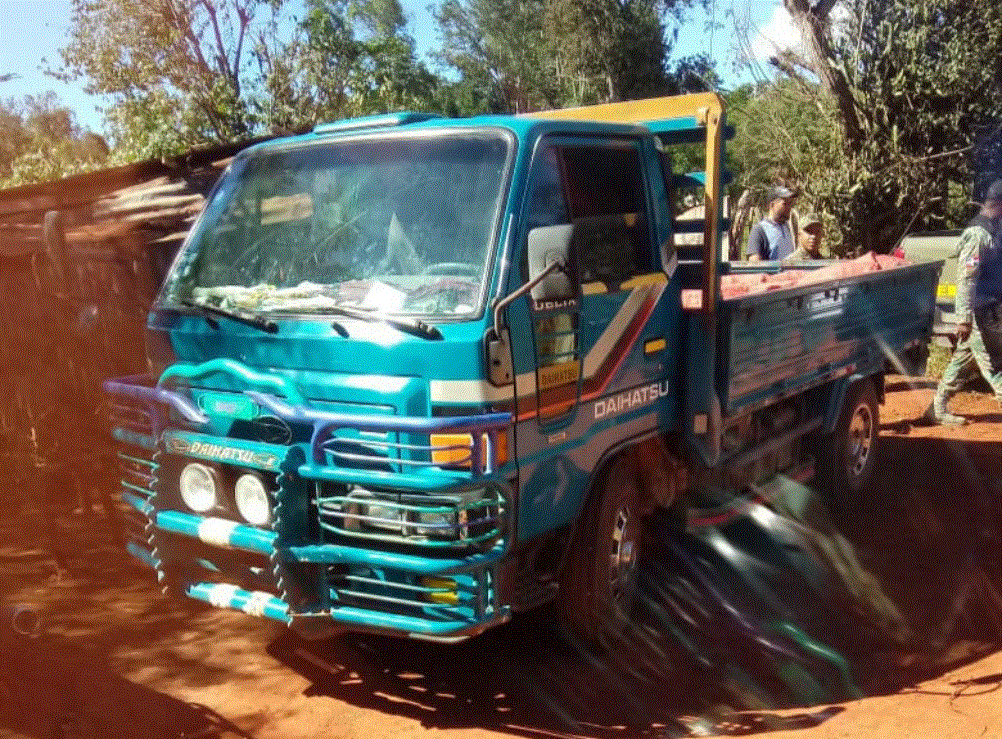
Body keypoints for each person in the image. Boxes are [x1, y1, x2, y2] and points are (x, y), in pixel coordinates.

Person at [925, 179, 1002, 425]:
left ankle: (937, 408)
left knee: (964, 358)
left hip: (989, 310)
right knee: (995, 366)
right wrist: (964, 319)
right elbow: (966, 279)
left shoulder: (992, 230)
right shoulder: (977, 235)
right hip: (980, 313)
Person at [746, 186, 798, 261]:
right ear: (772, 205)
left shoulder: (787, 227)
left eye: (790, 203)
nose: (789, 207)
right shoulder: (759, 230)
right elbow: (755, 264)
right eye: (785, 204)